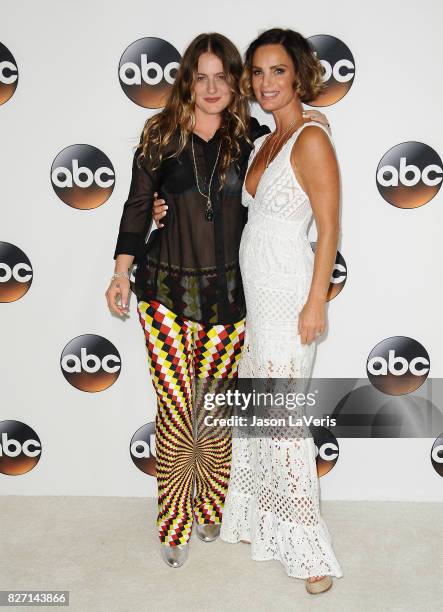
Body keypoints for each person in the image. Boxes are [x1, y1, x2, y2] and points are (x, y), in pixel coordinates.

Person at [106, 32, 329, 569]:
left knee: (214, 409)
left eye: (222, 77)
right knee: (176, 408)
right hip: (164, 291)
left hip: (230, 300)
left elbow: (284, 190)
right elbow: (139, 206)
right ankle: (174, 521)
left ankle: (211, 504)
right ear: (188, 80)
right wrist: (121, 272)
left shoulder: (250, 137)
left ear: (236, 83)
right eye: (200, 77)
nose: (211, 88)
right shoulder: (159, 133)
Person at [218, 28, 344, 595]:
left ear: (299, 76)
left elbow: (330, 226)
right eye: (259, 73)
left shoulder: (311, 139)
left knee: (284, 423)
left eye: (279, 72)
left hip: (290, 297)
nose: (266, 83)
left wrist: (316, 301)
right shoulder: (267, 140)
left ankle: (310, 554)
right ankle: (257, 521)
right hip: (257, 298)